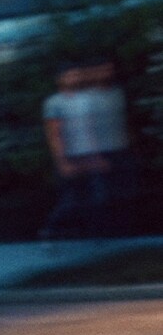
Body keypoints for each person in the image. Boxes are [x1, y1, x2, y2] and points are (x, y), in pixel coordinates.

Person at [42, 58, 136, 239]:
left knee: (98, 196)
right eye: (69, 76)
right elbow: (54, 134)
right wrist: (62, 161)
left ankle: (97, 234)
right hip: (71, 155)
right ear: (60, 79)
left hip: (89, 154)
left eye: (76, 75)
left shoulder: (85, 99)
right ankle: (50, 230)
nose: (73, 78)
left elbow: (90, 129)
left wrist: (97, 155)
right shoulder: (54, 102)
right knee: (71, 199)